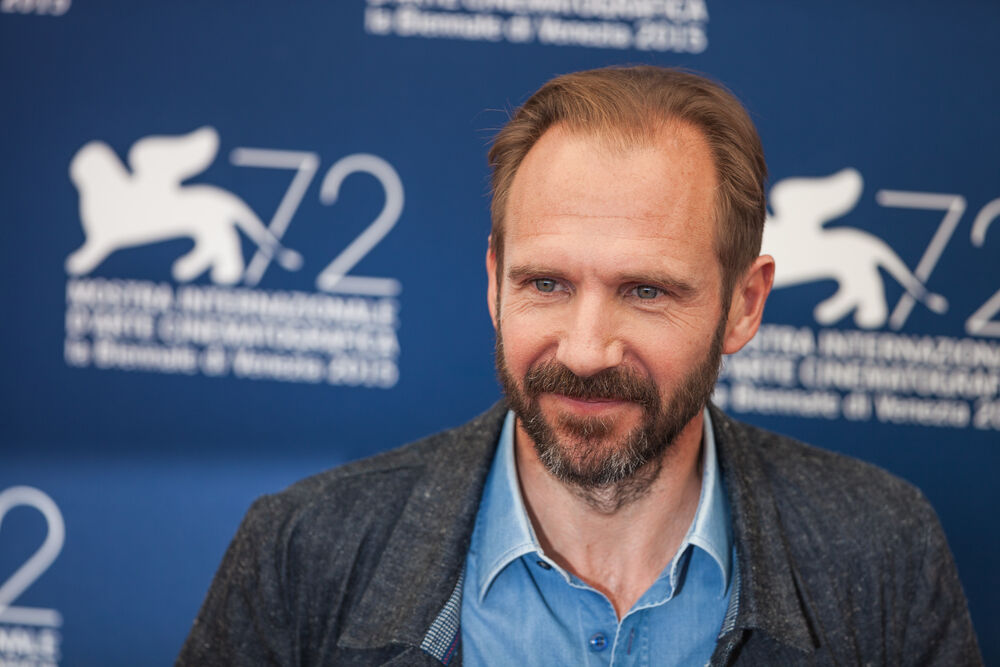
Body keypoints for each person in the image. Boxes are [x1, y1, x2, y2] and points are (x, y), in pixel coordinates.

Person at [178, 66, 982, 666]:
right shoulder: (301, 550)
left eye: (645, 290)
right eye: (547, 283)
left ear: (744, 304)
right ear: (494, 282)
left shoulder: (884, 548)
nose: (587, 349)